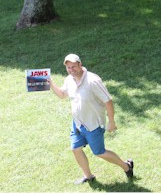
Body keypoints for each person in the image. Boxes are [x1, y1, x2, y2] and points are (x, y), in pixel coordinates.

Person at [48, 54, 134, 185]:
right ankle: (88, 176)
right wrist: (50, 84)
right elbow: (63, 94)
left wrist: (111, 122)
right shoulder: (69, 80)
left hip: (94, 125)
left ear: (80, 64)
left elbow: (108, 101)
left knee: (99, 152)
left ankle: (126, 166)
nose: (71, 70)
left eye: (73, 67)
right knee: (75, 149)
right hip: (77, 123)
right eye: (68, 67)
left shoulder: (93, 81)